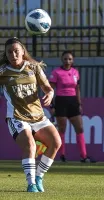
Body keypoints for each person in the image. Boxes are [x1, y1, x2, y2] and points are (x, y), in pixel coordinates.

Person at [0, 37, 61, 192]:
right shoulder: (3, 72)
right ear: (6, 55)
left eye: (16, 51)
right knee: (30, 144)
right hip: (16, 116)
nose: (13, 55)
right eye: (9, 52)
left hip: (38, 116)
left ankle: (39, 177)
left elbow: (47, 87)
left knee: (56, 142)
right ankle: (31, 183)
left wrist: (50, 93)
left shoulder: (33, 67)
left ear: (22, 52)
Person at [49, 50, 95, 163]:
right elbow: (50, 90)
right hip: (61, 102)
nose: (67, 61)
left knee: (80, 128)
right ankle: (62, 155)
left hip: (73, 102)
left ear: (73, 60)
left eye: (69, 59)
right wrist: (52, 105)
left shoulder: (75, 72)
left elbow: (77, 89)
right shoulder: (56, 72)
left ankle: (84, 156)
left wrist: (79, 103)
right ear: (62, 59)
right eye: (65, 59)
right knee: (62, 129)